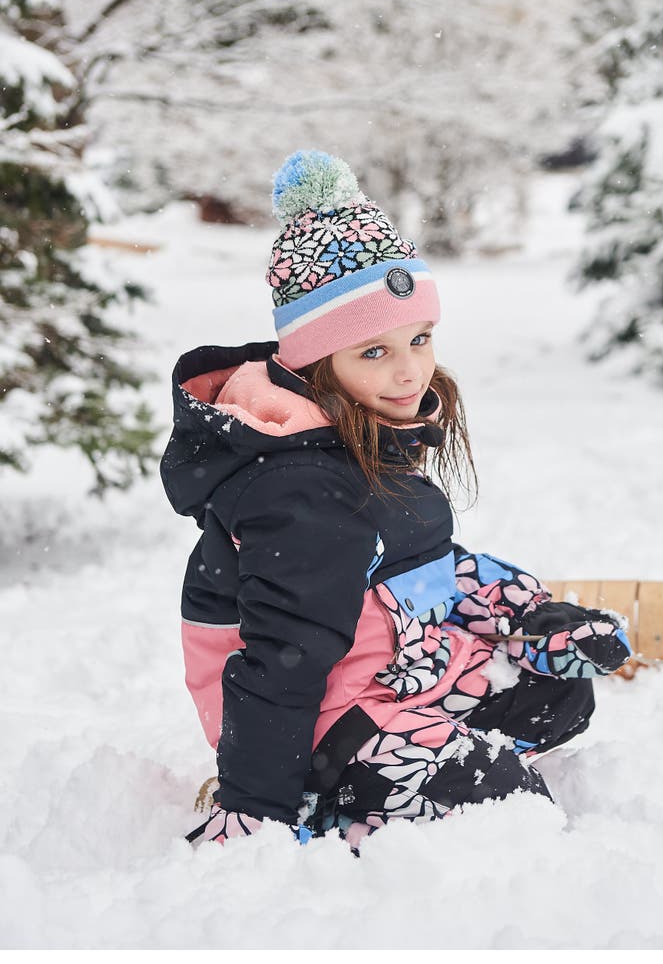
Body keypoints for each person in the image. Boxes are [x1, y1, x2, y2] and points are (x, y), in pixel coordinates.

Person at [160, 150, 631, 849]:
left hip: (394, 673)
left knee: (560, 695)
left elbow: (433, 565)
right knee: (507, 800)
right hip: (326, 717)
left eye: (419, 338)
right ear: (318, 365)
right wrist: (255, 805)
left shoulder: (365, 435)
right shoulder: (301, 492)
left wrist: (534, 617)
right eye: (373, 352)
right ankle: (343, 802)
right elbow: (280, 663)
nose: (411, 369)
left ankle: (425, 757)